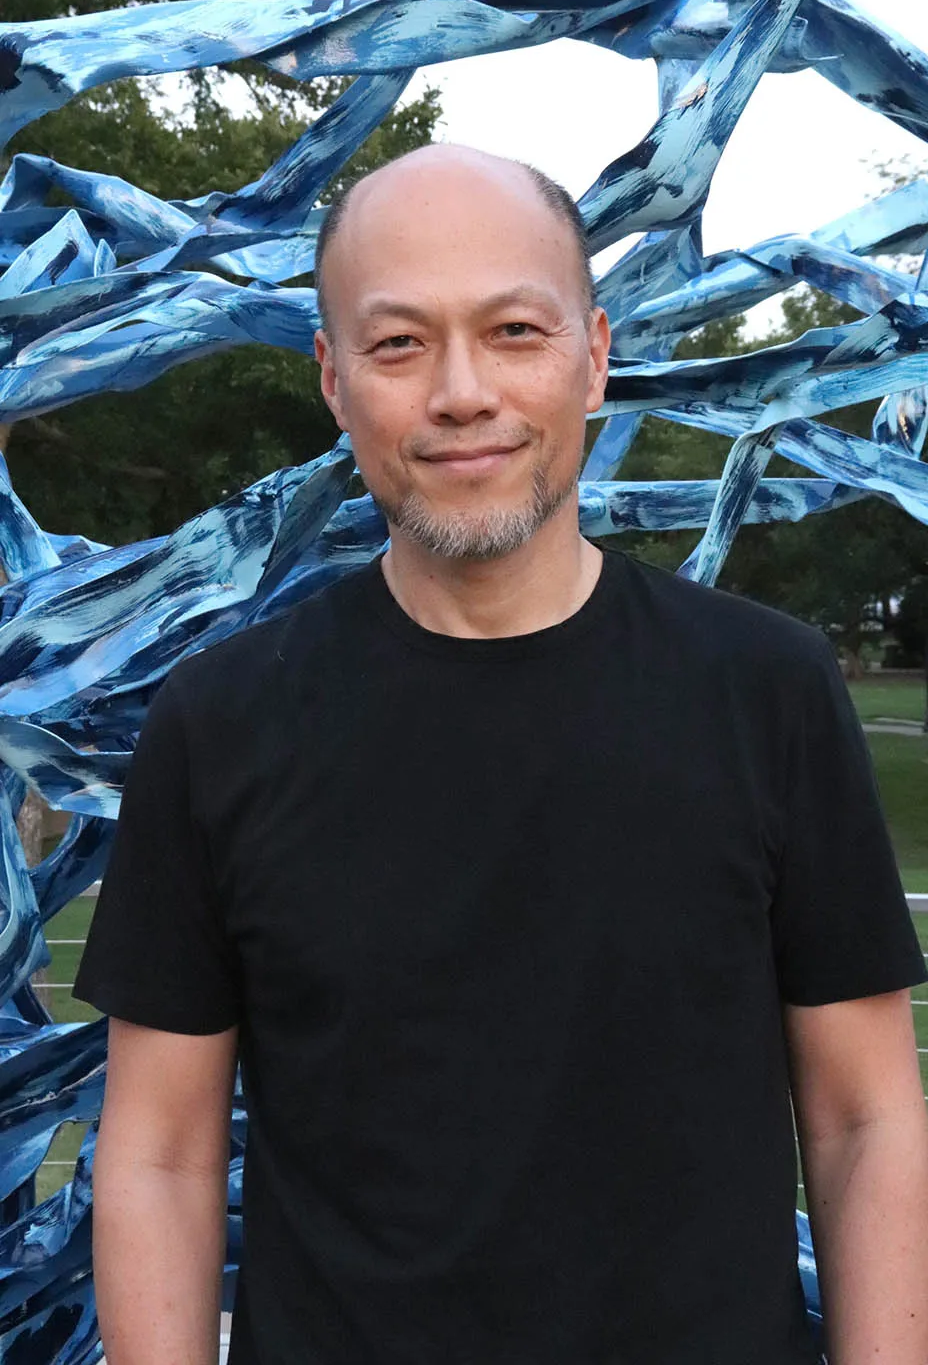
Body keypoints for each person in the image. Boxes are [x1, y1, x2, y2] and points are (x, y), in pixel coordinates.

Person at [73, 144, 928, 1365]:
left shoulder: (768, 692)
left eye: (514, 331)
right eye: (398, 343)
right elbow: (158, 1153)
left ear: (593, 356)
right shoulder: (220, 726)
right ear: (332, 379)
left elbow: (864, 1119)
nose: (460, 392)